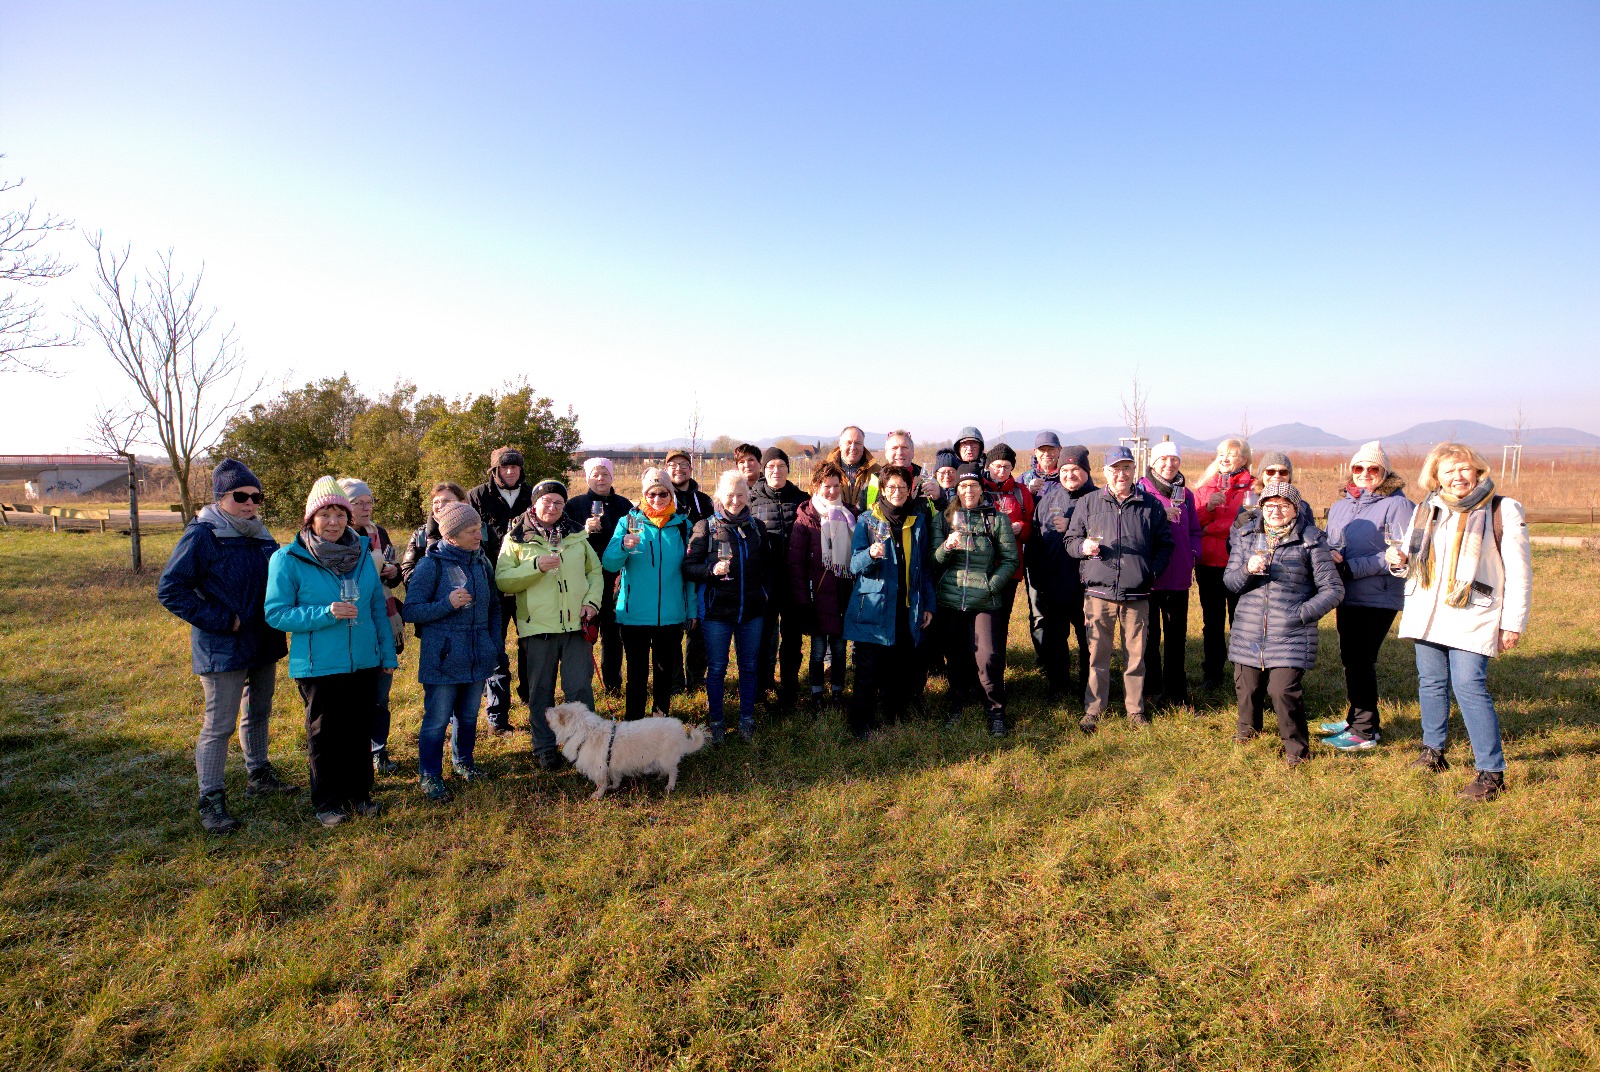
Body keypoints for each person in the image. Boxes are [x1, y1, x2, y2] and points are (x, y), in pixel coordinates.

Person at [157, 458, 294, 835]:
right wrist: (222, 620)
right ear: (220, 497)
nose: (250, 503)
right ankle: (211, 799)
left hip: (262, 640)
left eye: (256, 496)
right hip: (223, 647)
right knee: (219, 724)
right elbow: (171, 589)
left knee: (259, 711)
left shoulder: (260, 533)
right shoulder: (203, 534)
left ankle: (259, 775)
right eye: (240, 496)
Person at [1388, 443, 1531, 801]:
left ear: (1478, 470)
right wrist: (1398, 561)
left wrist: (1512, 623)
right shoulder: (1427, 508)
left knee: (1469, 686)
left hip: (1473, 613)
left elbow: (1519, 573)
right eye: (1449, 470)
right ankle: (1433, 752)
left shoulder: (1501, 509)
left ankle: (1491, 773)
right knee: (1431, 682)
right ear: (1435, 476)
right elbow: (1411, 565)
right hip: (1427, 612)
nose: (1457, 476)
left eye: (1464, 468)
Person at [264, 476, 398, 827]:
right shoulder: (288, 558)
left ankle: (359, 795)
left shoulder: (362, 555)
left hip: (364, 660)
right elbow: (276, 613)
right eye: (325, 515)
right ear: (310, 518)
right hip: (319, 665)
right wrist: (326, 613)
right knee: (325, 736)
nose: (334, 522)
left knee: (358, 731)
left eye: (341, 514)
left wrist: (387, 655)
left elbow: (376, 607)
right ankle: (328, 802)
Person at [1224, 482, 1343, 765]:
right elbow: (1230, 583)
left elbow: (1333, 589)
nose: (1275, 511)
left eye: (1283, 505)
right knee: (1247, 688)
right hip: (1249, 628)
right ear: (1261, 508)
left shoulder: (1311, 540)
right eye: (1269, 506)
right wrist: (1247, 569)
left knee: (1282, 691)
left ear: (1295, 509)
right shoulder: (1246, 536)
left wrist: (1300, 614)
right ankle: (1248, 732)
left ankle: (1297, 750)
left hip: (1291, 631)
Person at [1064, 447, 1174, 732]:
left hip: (1137, 593)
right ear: (1105, 472)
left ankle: (1135, 710)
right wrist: (1083, 547)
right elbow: (1070, 541)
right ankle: (1093, 709)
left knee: (1135, 656)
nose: (1121, 474)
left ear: (1134, 470)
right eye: (1115, 468)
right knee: (1097, 655)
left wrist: (1150, 572)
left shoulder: (1151, 505)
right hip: (1098, 592)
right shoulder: (1089, 502)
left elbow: (1165, 544)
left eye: (1126, 468)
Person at [497, 479, 603, 768]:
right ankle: (544, 747)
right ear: (535, 504)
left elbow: (594, 572)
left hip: (575, 625)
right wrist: (535, 567)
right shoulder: (516, 538)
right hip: (538, 628)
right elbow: (503, 580)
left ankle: (583, 745)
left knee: (579, 690)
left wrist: (591, 603)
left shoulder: (576, 535)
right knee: (541, 691)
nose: (553, 507)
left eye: (558, 502)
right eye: (547, 501)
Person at [400, 500, 502, 801]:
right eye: (471, 531)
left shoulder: (482, 562)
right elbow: (411, 611)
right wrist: (447, 604)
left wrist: (494, 644)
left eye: (478, 528)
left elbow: (494, 608)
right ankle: (430, 774)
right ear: (452, 536)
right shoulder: (430, 565)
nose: (479, 535)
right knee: (437, 720)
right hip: (443, 657)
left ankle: (463, 762)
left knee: (468, 716)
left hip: (477, 653)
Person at [1319, 442, 1415, 751]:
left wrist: (1351, 567)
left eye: (1373, 468)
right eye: (1358, 468)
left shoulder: (1398, 505)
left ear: (1385, 472)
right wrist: (1329, 554)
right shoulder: (1342, 505)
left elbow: (1400, 553)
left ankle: (1365, 730)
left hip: (1378, 595)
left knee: (1361, 659)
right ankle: (1354, 719)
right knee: (1350, 658)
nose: (1365, 473)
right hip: (1345, 592)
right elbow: (1332, 542)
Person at [842, 466, 937, 739]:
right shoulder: (866, 521)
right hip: (874, 607)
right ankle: (861, 724)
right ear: (882, 489)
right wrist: (870, 555)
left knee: (900, 664)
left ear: (910, 490)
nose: (897, 492)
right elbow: (855, 565)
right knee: (868, 668)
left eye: (903, 487)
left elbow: (924, 568)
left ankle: (894, 713)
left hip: (906, 606)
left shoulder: (917, 522)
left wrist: (928, 604)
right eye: (892, 487)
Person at [602, 468, 698, 721]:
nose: (657, 499)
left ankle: (660, 722)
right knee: (636, 674)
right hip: (635, 614)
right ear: (643, 495)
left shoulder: (683, 526)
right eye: (651, 494)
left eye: (663, 493)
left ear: (671, 495)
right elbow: (609, 564)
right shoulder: (628, 522)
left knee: (664, 674)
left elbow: (689, 573)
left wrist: (692, 611)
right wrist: (623, 546)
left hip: (671, 614)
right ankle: (633, 724)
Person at [932, 465, 1019, 736]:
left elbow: (1010, 560)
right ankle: (957, 704)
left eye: (973, 485)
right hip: (951, 598)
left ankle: (996, 711)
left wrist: (991, 586)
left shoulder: (997, 519)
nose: (968, 490)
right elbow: (933, 561)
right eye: (963, 486)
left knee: (988, 656)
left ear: (982, 489)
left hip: (985, 600)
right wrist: (947, 546)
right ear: (956, 489)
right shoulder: (943, 519)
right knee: (956, 656)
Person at [685, 472, 770, 742]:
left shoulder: (757, 527)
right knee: (717, 668)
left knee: (749, 666)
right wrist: (711, 570)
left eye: (740, 495)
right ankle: (717, 722)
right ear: (720, 495)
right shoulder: (705, 527)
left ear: (748, 496)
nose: (735, 500)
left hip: (751, 611)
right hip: (717, 613)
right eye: (730, 495)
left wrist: (764, 594)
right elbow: (688, 567)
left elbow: (767, 567)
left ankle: (747, 719)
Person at [338, 477, 405, 775]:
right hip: (351, 621)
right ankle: (353, 752)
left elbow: (393, 575)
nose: (366, 508)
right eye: (358, 503)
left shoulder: (380, 533)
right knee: (352, 694)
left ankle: (379, 750)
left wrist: (393, 571)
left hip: (383, 618)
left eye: (369, 502)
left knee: (380, 692)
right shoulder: (337, 536)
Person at [467, 446, 532, 735]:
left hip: (527, 580)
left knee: (531, 644)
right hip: (490, 582)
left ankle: (531, 698)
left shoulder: (532, 495)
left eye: (515, 467)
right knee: (495, 649)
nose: (510, 471)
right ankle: (497, 714)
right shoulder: (477, 496)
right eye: (505, 467)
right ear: (495, 470)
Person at [1028, 445, 1096, 700]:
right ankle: (1058, 685)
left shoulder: (1099, 499)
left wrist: (1074, 528)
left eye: (1075, 469)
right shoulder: (1049, 500)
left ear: (1086, 471)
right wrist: (1038, 579)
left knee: (1089, 640)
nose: (1069, 475)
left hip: (1088, 586)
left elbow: (1107, 538)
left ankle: (1089, 687)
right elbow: (1035, 541)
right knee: (1056, 638)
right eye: (1065, 470)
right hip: (1054, 583)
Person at [1137, 442, 1202, 708]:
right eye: (1163, 459)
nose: (1169, 464)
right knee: (1150, 637)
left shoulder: (1186, 494)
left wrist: (1192, 554)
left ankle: (1176, 692)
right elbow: (1133, 526)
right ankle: (1152, 689)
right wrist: (1158, 514)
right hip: (1152, 576)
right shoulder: (1141, 490)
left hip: (1179, 577)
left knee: (1176, 637)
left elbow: (1194, 530)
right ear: (1152, 463)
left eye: (1174, 459)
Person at [788, 461, 855, 709]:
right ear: (816, 486)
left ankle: (837, 692)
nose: (832, 491)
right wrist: (803, 601)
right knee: (817, 651)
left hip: (842, 595)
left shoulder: (850, 515)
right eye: (827, 486)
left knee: (839, 650)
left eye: (836, 486)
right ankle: (816, 694)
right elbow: (796, 564)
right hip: (816, 598)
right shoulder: (806, 518)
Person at [564, 458, 633, 697]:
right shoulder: (574, 505)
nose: (600, 479)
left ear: (612, 476)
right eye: (595, 474)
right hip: (585, 579)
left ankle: (613, 686)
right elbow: (564, 540)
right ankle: (582, 686)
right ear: (587, 478)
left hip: (616, 579)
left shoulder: (624, 504)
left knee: (613, 636)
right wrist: (584, 530)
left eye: (605, 474)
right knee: (585, 633)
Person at [749, 446, 808, 706]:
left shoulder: (802, 499)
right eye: (771, 466)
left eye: (781, 466)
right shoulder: (752, 499)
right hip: (764, 581)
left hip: (793, 580)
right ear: (764, 470)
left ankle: (790, 689)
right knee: (763, 637)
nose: (776, 470)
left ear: (788, 469)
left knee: (792, 639)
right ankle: (760, 689)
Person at [1193, 438, 1254, 689]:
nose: (1225, 459)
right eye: (1221, 454)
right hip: (1208, 564)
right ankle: (1213, 674)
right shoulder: (1205, 487)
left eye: (1231, 454)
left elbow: (1247, 524)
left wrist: (1211, 528)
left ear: (1244, 459)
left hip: (1239, 564)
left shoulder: (1254, 487)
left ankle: (1244, 675)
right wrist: (1208, 508)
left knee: (1240, 621)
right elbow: (1193, 524)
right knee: (1212, 622)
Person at [664, 448, 714, 692]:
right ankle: (674, 683)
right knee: (672, 627)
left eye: (683, 464)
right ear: (666, 469)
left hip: (698, 569)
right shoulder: (661, 497)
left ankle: (696, 679)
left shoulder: (703, 500)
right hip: (669, 570)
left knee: (699, 626)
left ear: (691, 469)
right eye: (673, 465)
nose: (679, 469)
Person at [399, 482, 484, 585]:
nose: (440, 506)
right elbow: (407, 572)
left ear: (463, 503)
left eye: (447, 501)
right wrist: (432, 584)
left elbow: (488, 567)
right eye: (436, 502)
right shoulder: (421, 534)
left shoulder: (480, 530)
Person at [866, 429, 939, 509]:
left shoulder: (928, 480)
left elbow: (944, 511)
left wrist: (939, 498)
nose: (900, 452)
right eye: (894, 448)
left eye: (904, 447)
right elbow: (862, 513)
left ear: (913, 453)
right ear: (886, 453)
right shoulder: (873, 482)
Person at [824, 425, 878, 512]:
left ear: (863, 446)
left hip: (866, 519)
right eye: (848, 443)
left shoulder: (876, 471)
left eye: (858, 443)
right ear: (840, 445)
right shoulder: (824, 471)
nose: (853, 447)